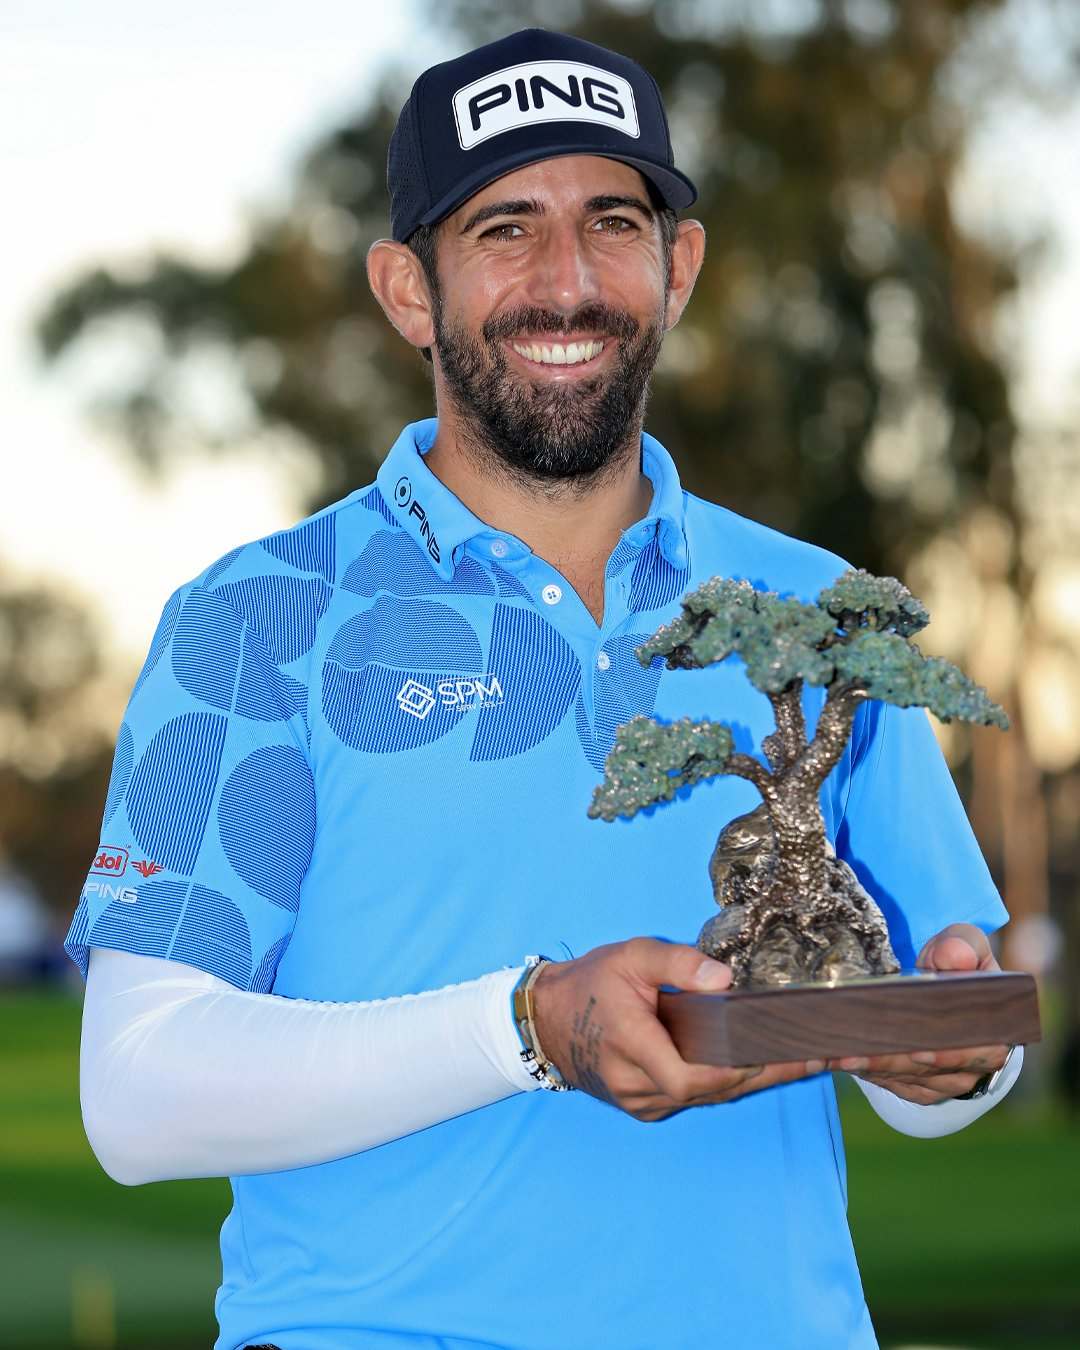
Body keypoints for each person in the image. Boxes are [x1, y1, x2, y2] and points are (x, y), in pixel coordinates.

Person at [68, 28, 1022, 1350]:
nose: (567, 281)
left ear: (676, 268)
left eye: (613, 222)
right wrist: (529, 1022)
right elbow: (136, 1094)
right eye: (505, 229)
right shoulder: (257, 618)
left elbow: (942, 1059)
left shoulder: (821, 616)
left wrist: (952, 1055)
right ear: (410, 290)